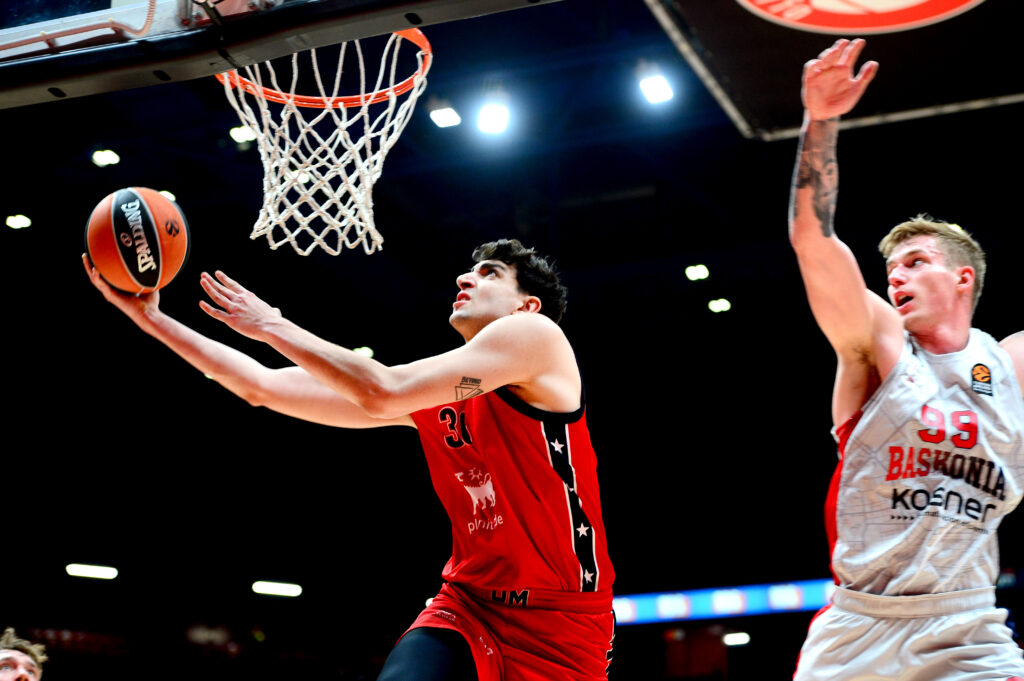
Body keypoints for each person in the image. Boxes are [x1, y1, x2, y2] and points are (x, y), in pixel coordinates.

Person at [83, 238, 615, 681]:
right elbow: (258, 386)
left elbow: (383, 389)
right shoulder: (440, 394)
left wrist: (273, 324)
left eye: (490, 272)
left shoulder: (536, 336)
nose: (465, 278)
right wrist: (150, 317)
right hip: (469, 604)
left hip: (560, 623)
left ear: (527, 305)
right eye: (468, 269)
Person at [788, 37, 1024, 680]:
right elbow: (813, 240)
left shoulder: (1011, 365)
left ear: (964, 279)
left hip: (967, 628)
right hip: (860, 629)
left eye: (917, 263)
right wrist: (821, 120)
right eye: (891, 269)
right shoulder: (876, 345)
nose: (897, 278)